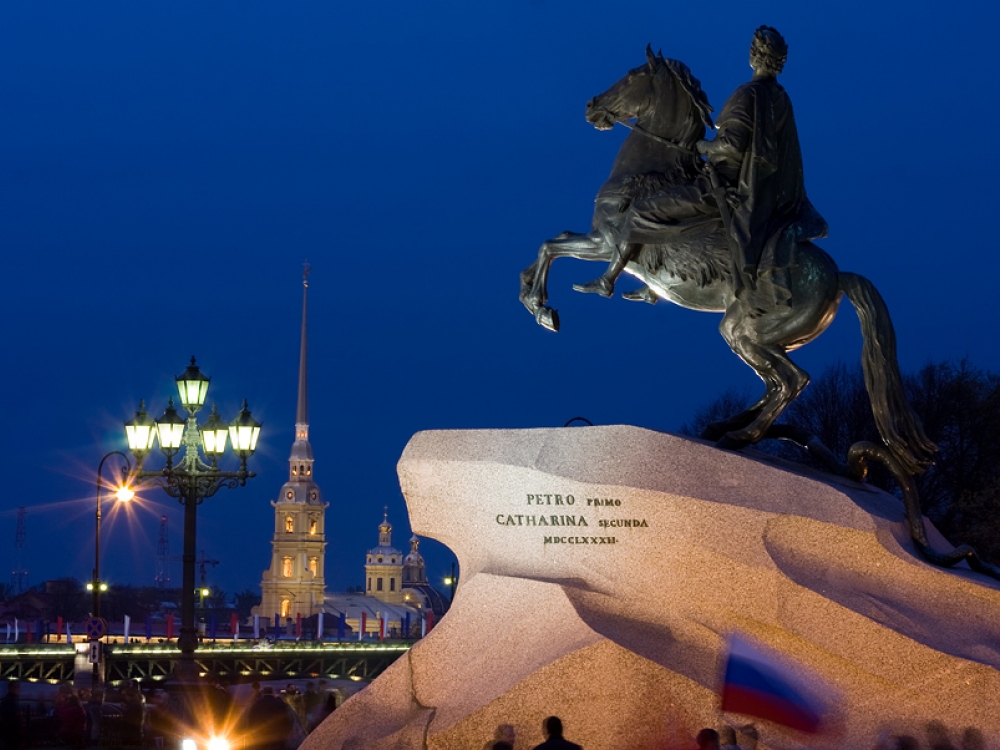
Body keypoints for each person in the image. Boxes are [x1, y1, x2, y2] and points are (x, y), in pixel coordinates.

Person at [575, 26, 826, 310]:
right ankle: (653, 285)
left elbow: (732, 145)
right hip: (756, 190)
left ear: (753, 57)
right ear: (779, 61)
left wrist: (703, 147)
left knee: (641, 211)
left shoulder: (750, 94)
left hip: (723, 184)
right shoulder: (780, 99)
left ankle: (608, 279)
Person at [0, 681, 22, 750]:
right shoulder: (10, 701)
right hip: (10, 736)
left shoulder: (7, 700)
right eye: (16, 687)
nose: (18, 689)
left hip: (9, 736)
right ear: (11, 688)